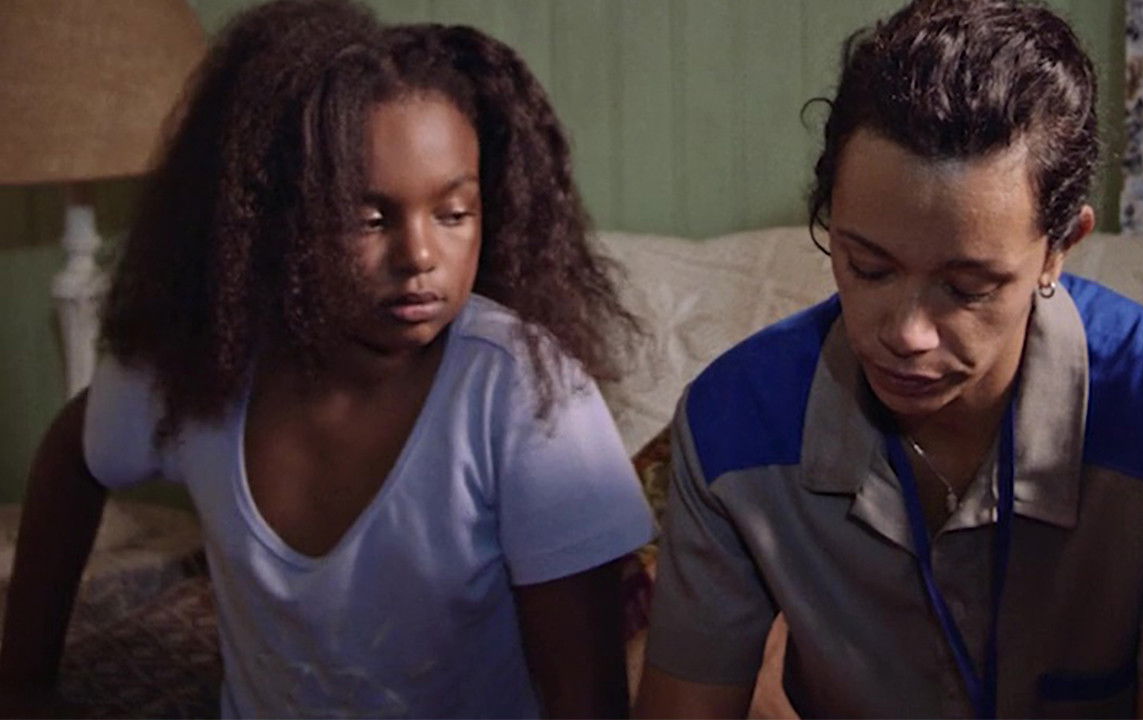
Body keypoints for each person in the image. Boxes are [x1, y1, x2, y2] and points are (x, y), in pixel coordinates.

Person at [0, 1, 654, 717]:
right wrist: (25, 681)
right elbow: (74, 455)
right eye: (367, 219)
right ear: (272, 218)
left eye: (453, 213)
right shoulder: (202, 362)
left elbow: (586, 698)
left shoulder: (523, 390)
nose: (420, 255)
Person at [634, 0, 1143, 717]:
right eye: (868, 268)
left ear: (1060, 248)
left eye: (968, 287)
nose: (908, 332)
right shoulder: (730, 426)